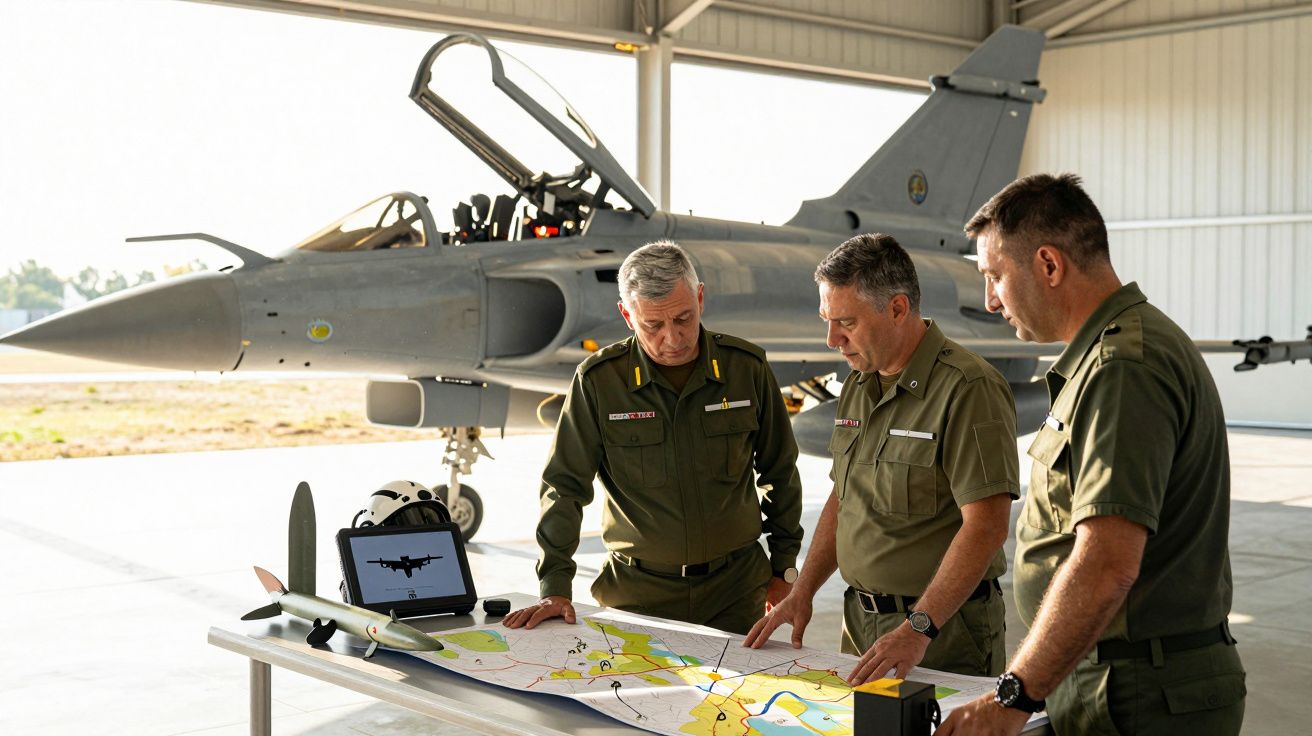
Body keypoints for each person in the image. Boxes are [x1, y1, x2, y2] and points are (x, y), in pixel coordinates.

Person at [939, 173, 1245, 735]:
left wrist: (1011, 698)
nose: (988, 300)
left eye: (994, 276)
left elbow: (1106, 562)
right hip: (1113, 684)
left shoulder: (1121, 368)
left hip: (1137, 697)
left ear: (1049, 266)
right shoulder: (1109, 356)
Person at [744, 233, 1018, 683]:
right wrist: (803, 589)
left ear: (896, 309)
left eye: (846, 322)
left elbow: (987, 527)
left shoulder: (968, 388)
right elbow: (845, 496)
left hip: (942, 633)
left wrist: (920, 626)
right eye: (826, 320)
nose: (832, 339)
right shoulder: (858, 385)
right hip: (861, 626)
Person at [503, 240, 805, 636]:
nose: (673, 338)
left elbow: (779, 471)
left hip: (735, 593)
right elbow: (563, 487)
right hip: (637, 596)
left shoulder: (745, 369)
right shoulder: (599, 382)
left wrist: (784, 567)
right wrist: (554, 587)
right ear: (627, 315)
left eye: (684, 318)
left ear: (700, 297)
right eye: (654, 325)